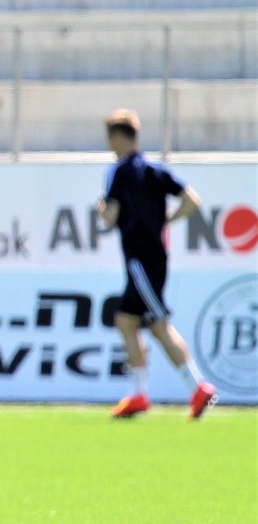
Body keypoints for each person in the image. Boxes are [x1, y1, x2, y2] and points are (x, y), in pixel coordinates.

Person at [96, 108, 216, 419]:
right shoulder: (155, 170)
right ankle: (139, 394)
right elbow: (192, 200)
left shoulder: (119, 172)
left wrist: (102, 208)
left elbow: (110, 215)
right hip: (155, 258)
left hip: (139, 259)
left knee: (158, 324)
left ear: (117, 137)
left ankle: (198, 387)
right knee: (126, 321)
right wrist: (166, 222)